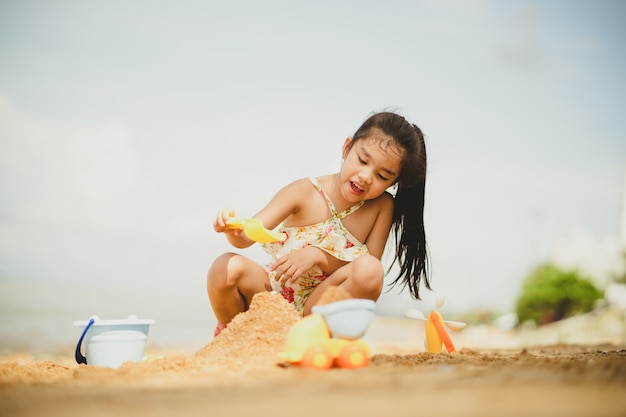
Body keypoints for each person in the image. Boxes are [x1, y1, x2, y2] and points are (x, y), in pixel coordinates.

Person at [207, 111, 430, 337]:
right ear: (347, 148)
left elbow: (367, 270)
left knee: (371, 269)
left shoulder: (382, 206)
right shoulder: (305, 191)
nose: (366, 176)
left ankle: (314, 338)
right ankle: (234, 335)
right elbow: (247, 236)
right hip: (272, 293)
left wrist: (318, 255)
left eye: (382, 176)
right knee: (225, 267)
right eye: (362, 160)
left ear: (394, 182)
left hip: (320, 308)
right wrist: (232, 228)